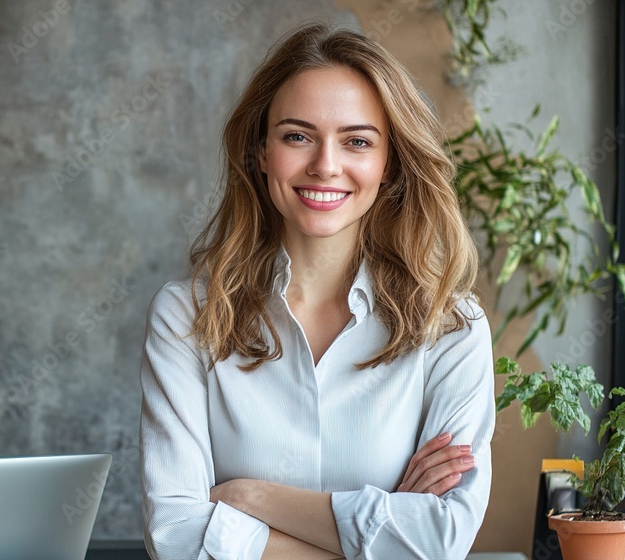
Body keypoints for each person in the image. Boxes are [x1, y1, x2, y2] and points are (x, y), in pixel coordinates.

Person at [139, 21, 495, 560]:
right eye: (297, 136)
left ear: (389, 163)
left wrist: (247, 498)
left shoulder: (450, 327)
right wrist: (377, 536)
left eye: (357, 141)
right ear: (261, 153)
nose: (326, 165)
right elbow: (176, 536)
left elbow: (442, 538)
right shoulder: (186, 316)